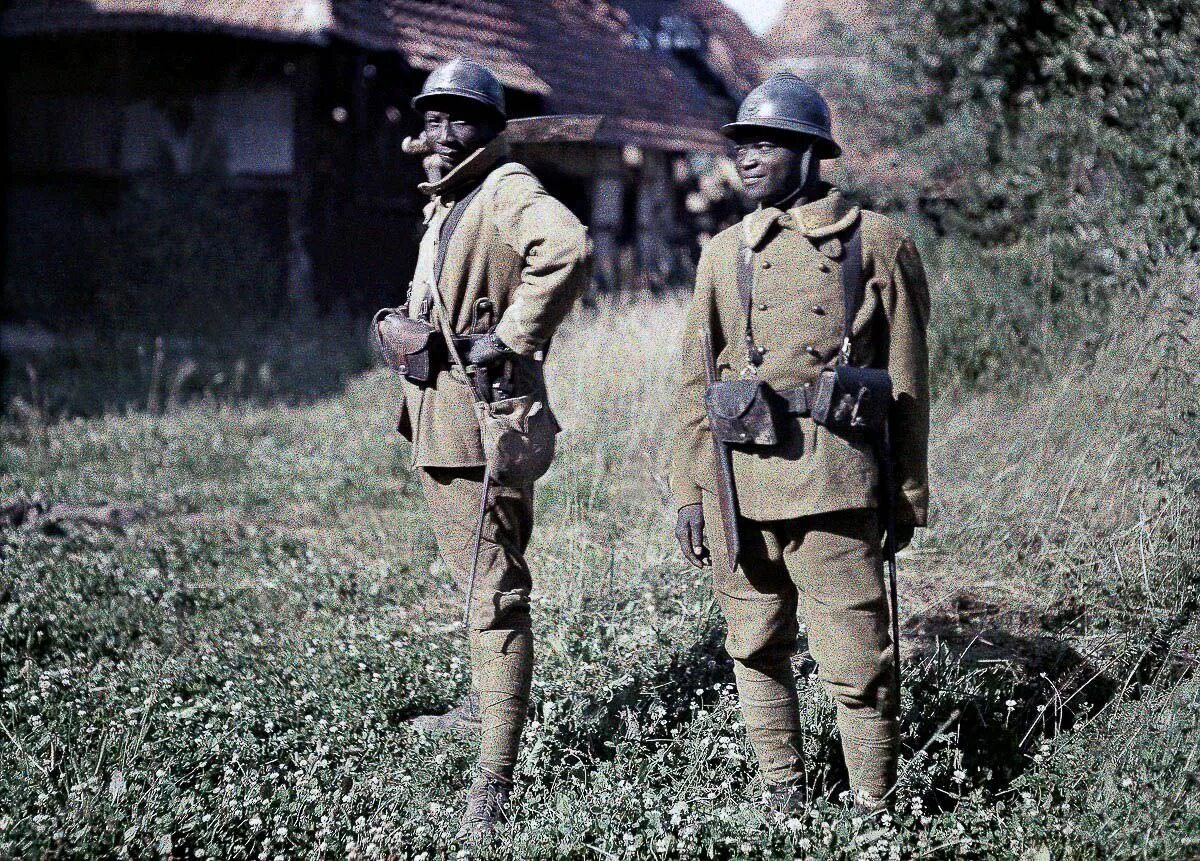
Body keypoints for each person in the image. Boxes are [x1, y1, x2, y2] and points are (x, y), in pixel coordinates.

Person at [669, 73, 931, 813]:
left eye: (769, 141)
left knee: (857, 659)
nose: (749, 155)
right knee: (753, 643)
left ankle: (873, 808)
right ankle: (784, 794)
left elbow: (907, 379)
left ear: (812, 152)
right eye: (743, 142)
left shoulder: (877, 242)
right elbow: (695, 382)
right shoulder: (724, 253)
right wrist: (691, 491)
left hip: (837, 483)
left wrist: (905, 493)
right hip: (740, 485)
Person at [396, 57, 590, 838]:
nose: (441, 133)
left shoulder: (503, 187)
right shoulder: (452, 195)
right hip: (452, 425)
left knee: (494, 593)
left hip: (479, 425)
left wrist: (511, 337)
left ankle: (493, 780)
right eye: (432, 117)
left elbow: (566, 247)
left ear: (491, 128)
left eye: (460, 118)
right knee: (485, 580)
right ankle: (486, 703)